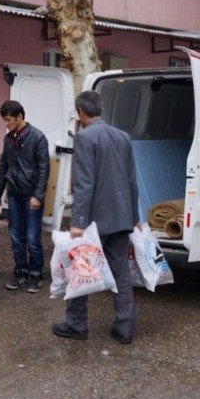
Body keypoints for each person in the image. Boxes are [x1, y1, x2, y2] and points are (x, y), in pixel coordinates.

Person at [51, 90, 141, 345]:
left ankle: (76, 324)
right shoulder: (123, 137)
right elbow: (132, 181)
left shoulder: (84, 138)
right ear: (100, 109)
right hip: (121, 217)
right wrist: (134, 215)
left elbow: (84, 184)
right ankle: (125, 327)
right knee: (120, 272)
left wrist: (78, 223)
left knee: (80, 270)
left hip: (94, 221)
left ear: (81, 113)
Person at [0, 100, 50, 293]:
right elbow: (3, 169)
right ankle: (21, 273)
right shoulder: (9, 139)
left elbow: (44, 169)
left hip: (32, 195)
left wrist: (38, 196)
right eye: (4, 120)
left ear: (20, 117)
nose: (6, 124)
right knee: (16, 237)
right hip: (15, 194)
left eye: (8, 120)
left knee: (33, 237)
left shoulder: (38, 138)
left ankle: (35, 275)